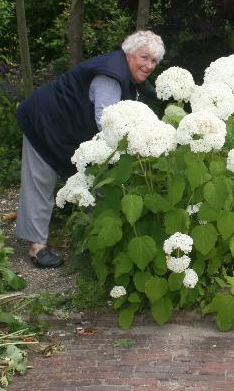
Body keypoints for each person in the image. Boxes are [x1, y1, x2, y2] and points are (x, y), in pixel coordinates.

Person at [14, 30, 164, 268]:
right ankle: (36, 247)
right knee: (40, 181)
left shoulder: (129, 77)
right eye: (144, 57)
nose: (149, 65)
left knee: (95, 179)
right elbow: (106, 122)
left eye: (154, 61)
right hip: (44, 122)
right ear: (128, 53)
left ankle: (100, 239)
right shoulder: (110, 76)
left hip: (68, 130)